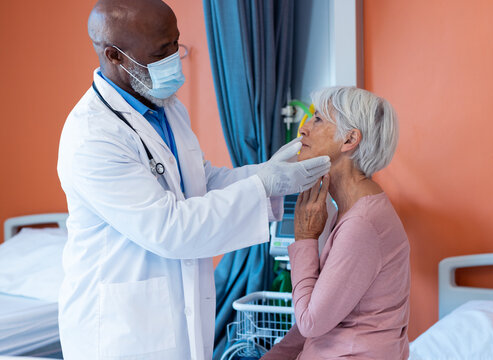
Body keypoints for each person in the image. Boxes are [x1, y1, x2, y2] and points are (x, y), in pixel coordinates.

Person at [56, 0, 331, 359]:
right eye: (161, 50)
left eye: (175, 43)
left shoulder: (167, 107)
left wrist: (264, 173)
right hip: (121, 333)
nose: (174, 56)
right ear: (115, 56)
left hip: (175, 316)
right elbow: (170, 228)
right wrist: (262, 185)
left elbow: (200, 183)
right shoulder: (92, 136)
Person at [262, 87, 410, 359]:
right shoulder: (346, 209)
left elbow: (310, 321)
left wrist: (305, 239)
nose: (303, 129)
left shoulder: (362, 225)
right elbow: (319, 311)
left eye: (317, 119)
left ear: (350, 139)